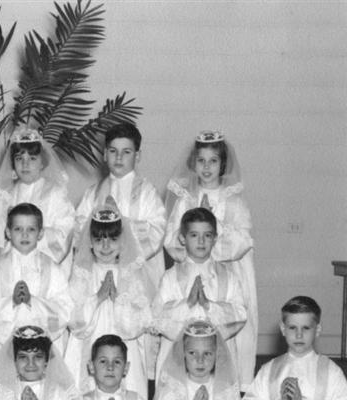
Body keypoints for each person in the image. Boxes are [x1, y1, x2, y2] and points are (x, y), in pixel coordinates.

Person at [164, 130, 257, 381]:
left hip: (227, 273)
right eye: (201, 160)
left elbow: (243, 242)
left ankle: (229, 381)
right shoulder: (185, 200)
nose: (206, 167)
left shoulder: (233, 200)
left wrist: (213, 223)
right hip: (191, 270)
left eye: (213, 161)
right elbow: (172, 241)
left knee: (227, 328)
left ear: (222, 164)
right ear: (193, 163)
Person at [152, 208, 248, 386]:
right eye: (194, 235)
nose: (201, 241)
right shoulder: (170, 277)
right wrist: (186, 304)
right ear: (182, 238)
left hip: (217, 357)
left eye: (207, 235)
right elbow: (157, 317)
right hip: (177, 356)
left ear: (215, 239)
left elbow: (240, 314)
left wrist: (209, 306)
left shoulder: (229, 277)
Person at [65, 208, 153, 399]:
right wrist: (97, 298)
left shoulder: (131, 275)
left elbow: (141, 322)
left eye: (112, 239)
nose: (105, 246)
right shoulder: (82, 275)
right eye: (99, 240)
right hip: (87, 344)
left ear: (123, 241)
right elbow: (73, 320)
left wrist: (118, 301)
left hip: (123, 341)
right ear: (90, 242)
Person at [0, 203, 72, 385]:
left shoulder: (53, 269)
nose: (24, 235)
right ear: (7, 232)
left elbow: (65, 310)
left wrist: (34, 303)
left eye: (31, 229)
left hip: (42, 351)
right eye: (18, 229)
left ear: (40, 233)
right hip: (2, 347)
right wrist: (11, 303)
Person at [75, 123, 165, 290]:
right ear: (104, 154)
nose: (118, 158)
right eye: (113, 151)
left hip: (138, 277)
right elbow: (79, 231)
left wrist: (121, 225)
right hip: (98, 273)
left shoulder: (147, 192)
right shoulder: (93, 193)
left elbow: (156, 231)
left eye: (126, 152)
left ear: (137, 156)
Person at [0, 126, 75, 263]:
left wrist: (32, 234)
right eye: (19, 159)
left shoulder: (55, 194)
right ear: (13, 163)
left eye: (32, 158)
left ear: (42, 162)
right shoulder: (4, 196)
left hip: (44, 264)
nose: (25, 164)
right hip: (10, 264)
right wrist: (7, 233)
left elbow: (64, 233)